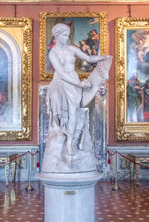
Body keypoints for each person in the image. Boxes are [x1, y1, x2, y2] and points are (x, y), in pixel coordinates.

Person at [45, 23, 107, 155]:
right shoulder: (53, 53)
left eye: (68, 35)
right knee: (54, 94)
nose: (66, 38)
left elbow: (89, 58)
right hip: (60, 82)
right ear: (57, 36)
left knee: (73, 113)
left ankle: (69, 144)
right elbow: (61, 73)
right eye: (64, 35)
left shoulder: (72, 49)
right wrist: (78, 83)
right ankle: (59, 125)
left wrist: (103, 57)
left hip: (73, 83)